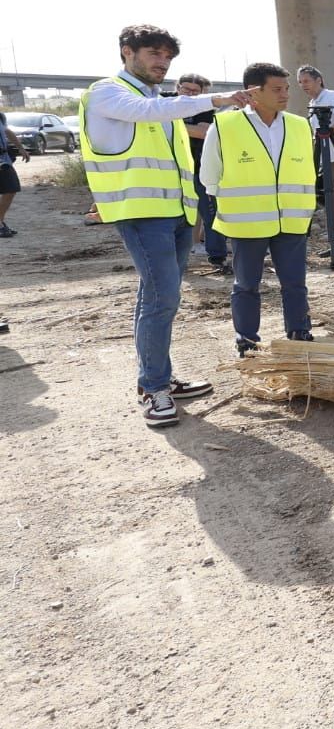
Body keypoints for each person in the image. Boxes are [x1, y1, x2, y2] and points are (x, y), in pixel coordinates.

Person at [81, 24, 251, 429]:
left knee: (156, 297)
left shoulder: (158, 101)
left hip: (174, 212)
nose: (163, 62)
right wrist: (216, 98)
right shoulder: (107, 92)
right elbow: (145, 113)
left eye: (168, 56)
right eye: (154, 53)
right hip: (142, 213)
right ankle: (154, 388)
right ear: (127, 52)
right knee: (162, 298)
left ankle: (158, 378)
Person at [200, 62, 316, 357]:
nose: (285, 94)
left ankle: (299, 333)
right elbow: (209, 175)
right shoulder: (225, 125)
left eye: (286, 88)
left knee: (295, 283)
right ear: (253, 91)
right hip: (246, 222)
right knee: (246, 285)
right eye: (277, 89)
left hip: (291, 218)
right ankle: (247, 340)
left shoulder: (300, 125)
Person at [295, 64, 334, 256]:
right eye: (300, 82)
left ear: (318, 80)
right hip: (325, 157)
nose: (303, 85)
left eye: (306, 81)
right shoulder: (314, 102)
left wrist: (329, 132)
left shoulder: (332, 96)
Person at [176, 72, 229, 268]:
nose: (190, 94)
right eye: (186, 89)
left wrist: (169, 123)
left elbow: (203, 132)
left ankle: (217, 256)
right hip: (170, 170)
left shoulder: (205, 109)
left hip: (198, 168)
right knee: (176, 215)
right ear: (177, 88)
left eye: (195, 91)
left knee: (209, 212)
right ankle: (179, 255)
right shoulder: (163, 102)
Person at [0, 109, 30, 239]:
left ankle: (0, 221)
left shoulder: (1, 117)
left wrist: (21, 148)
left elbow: (7, 131)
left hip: (4, 159)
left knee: (11, 188)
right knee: (10, 188)